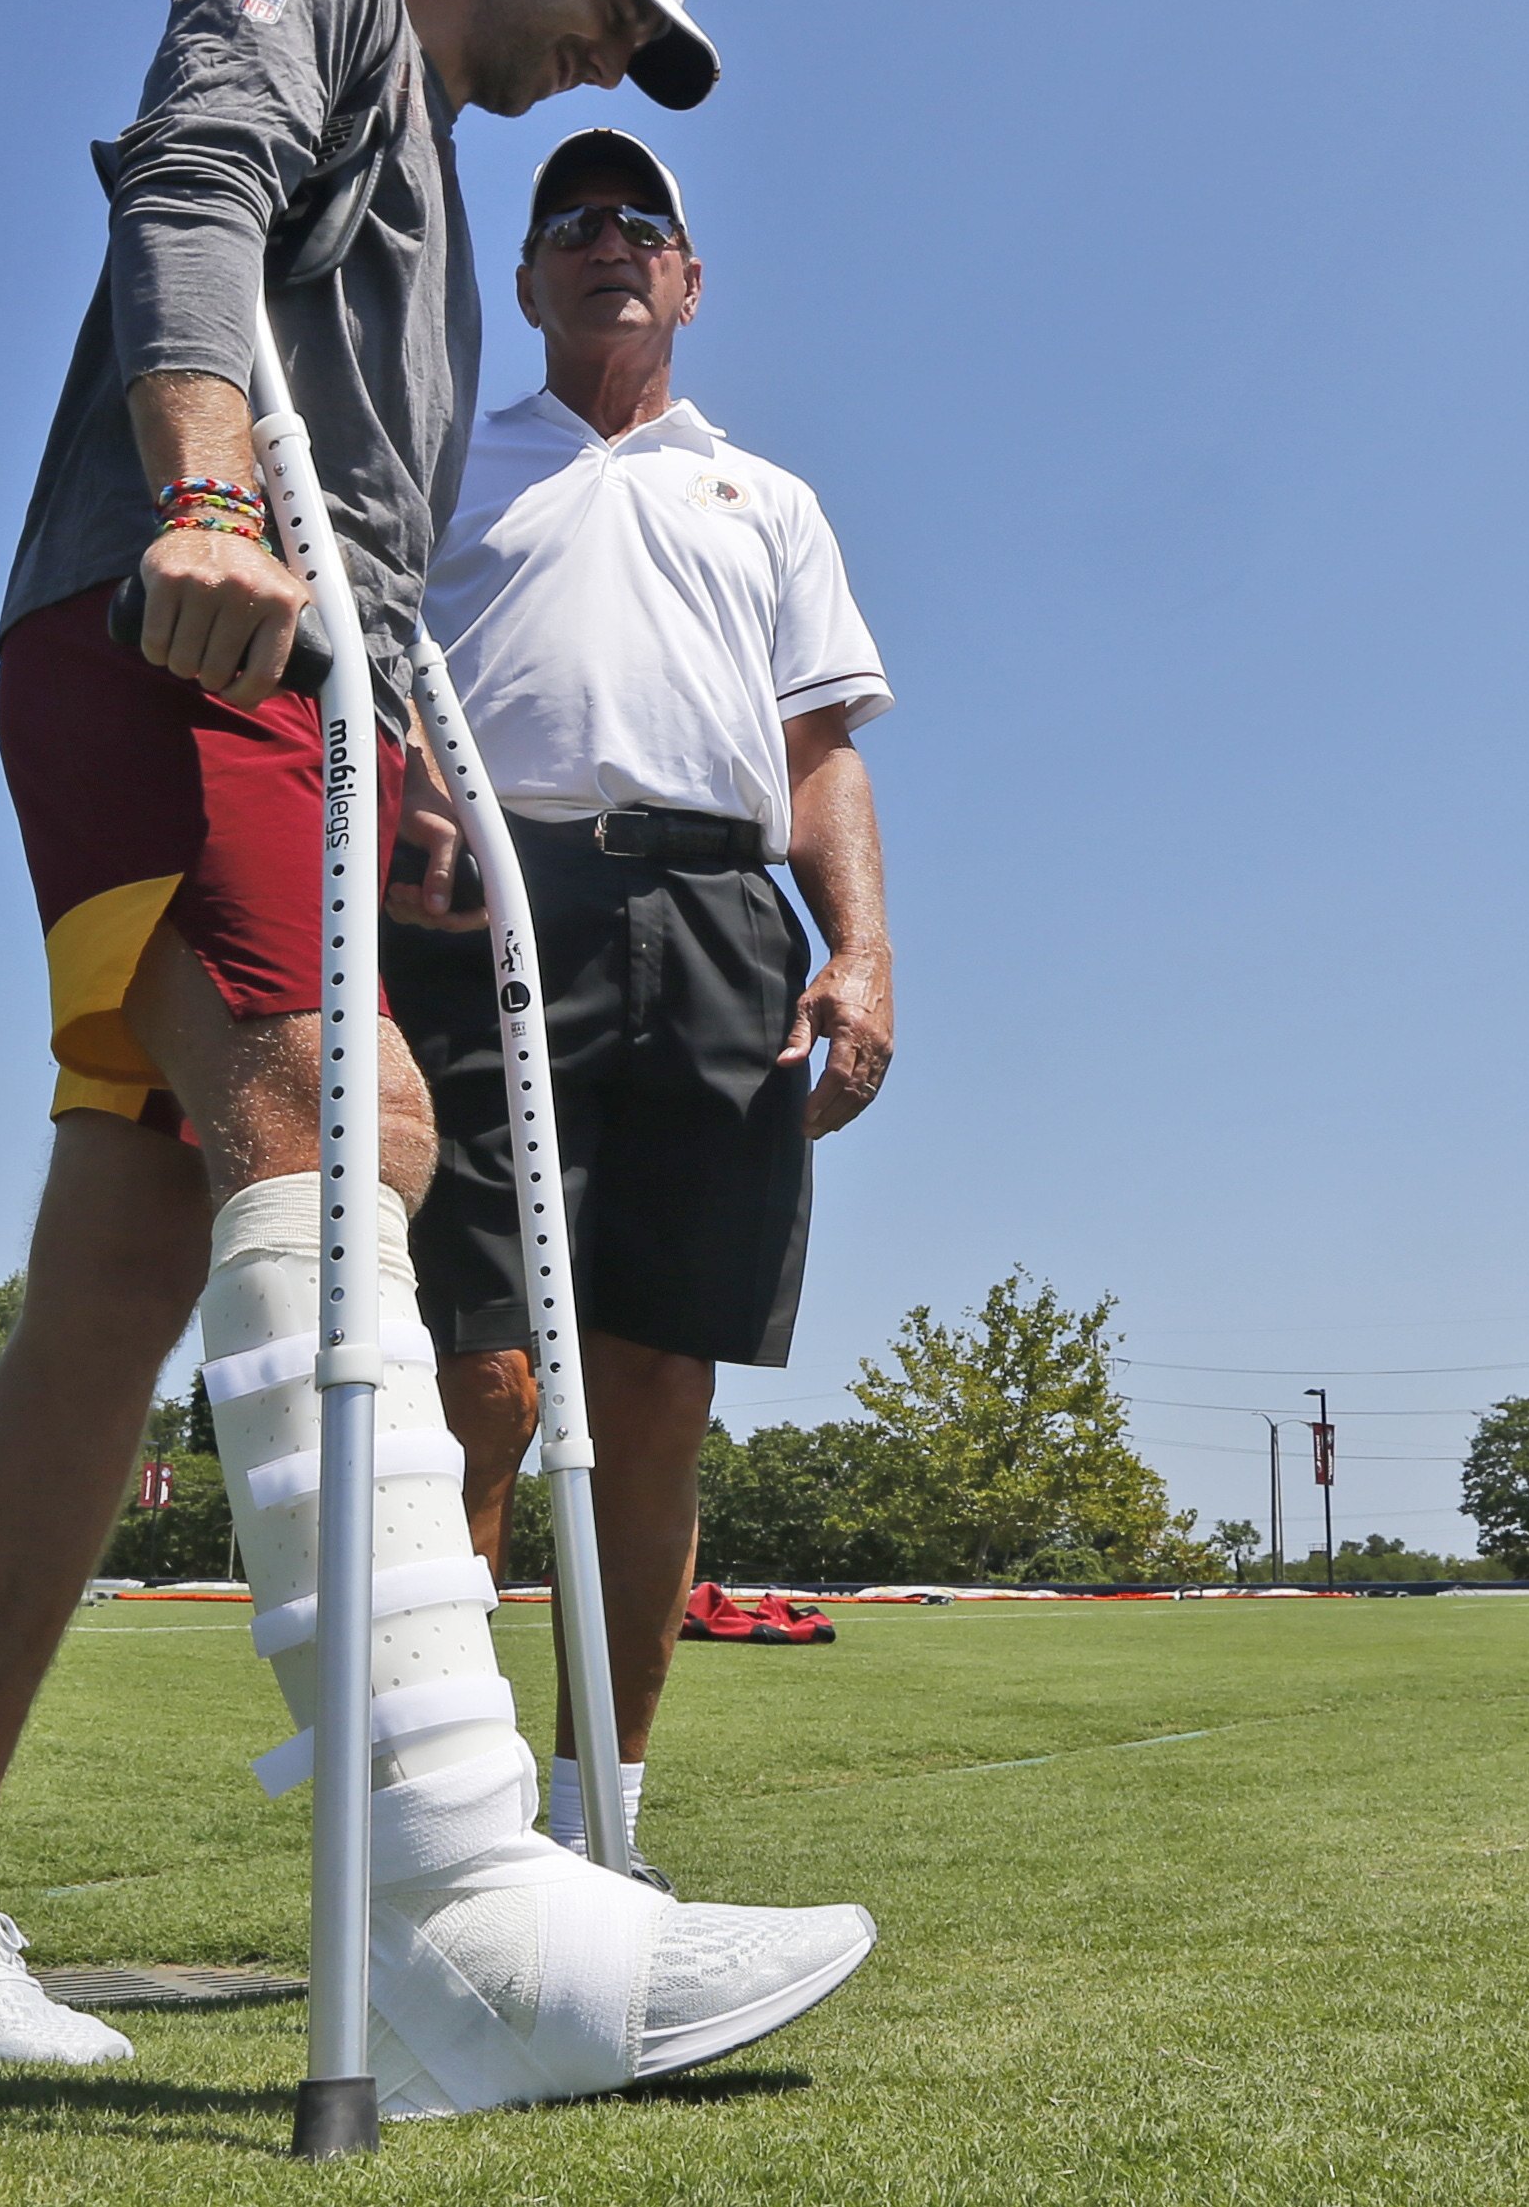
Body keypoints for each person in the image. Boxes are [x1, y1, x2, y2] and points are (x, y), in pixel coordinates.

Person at [0, 0, 876, 2112]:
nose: (611, 67)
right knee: (342, 1119)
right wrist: (195, 488)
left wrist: (419, 800)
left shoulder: (450, 219)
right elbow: (184, 196)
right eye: (617, 13)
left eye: (650, 71)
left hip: (315, 702)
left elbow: (375, 536)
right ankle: (468, 1913)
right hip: (173, 634)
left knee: (116, 1286)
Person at [387, 126, 894, 1883]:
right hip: (481, 908)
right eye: (570, 221)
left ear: (687, 280)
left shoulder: (766, 499)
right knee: (485, 1378)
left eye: (642, 222)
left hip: (714, 919)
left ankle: (607, 1830)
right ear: (523, 281)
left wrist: (862, 953)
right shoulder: (440, 456)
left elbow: (817, 750)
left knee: (657, 1381)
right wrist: (400, 809)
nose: (607, 238)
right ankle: (447, 1835)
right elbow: (353, 682)